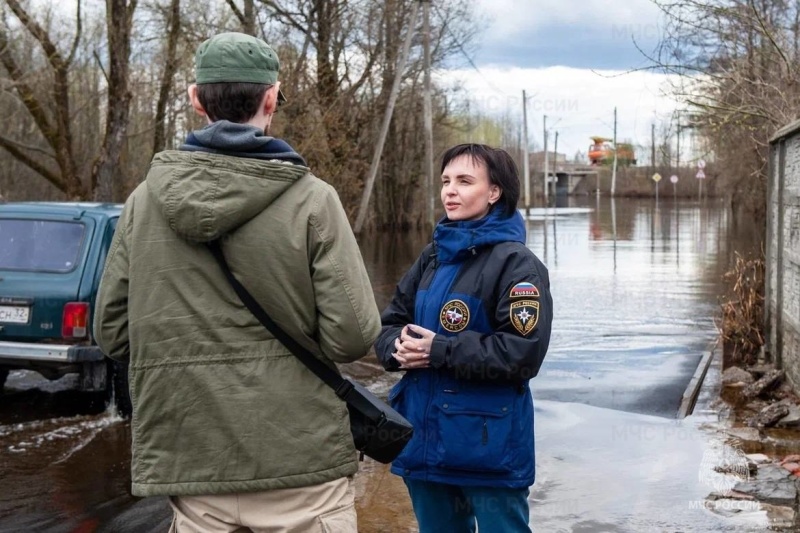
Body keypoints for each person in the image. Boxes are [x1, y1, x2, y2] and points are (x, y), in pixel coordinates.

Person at [94, 32, 381, 532]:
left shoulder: (143, 201)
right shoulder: (314, 200)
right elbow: (352, 336)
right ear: (271, 99)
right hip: (302, 464)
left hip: (193, 460)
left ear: (195, 99)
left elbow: (113, 332)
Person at [374, 143, 553, 533]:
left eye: (464, 181)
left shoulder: (517, 264)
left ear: (494, 192)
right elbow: (389, 325)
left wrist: (439, 349)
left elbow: (523, 354)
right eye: (446, 181)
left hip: (488, 447)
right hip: (423, 439)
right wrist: (397, 349)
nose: (449, 191)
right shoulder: (433, 258)